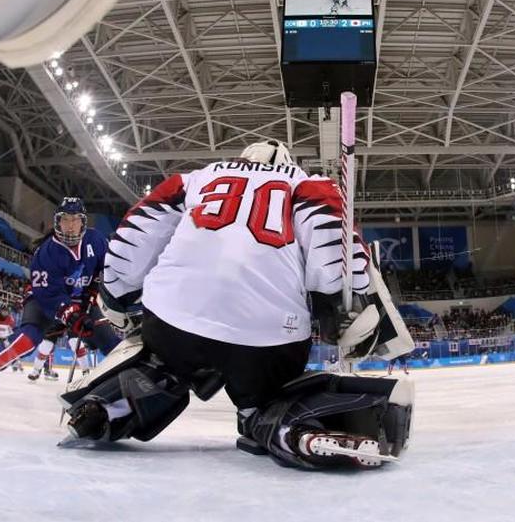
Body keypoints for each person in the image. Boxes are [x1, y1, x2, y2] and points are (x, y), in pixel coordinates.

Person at [59, 139, 414, 469]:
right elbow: (329, 237)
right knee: (265, 398)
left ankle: (105, 409)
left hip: (173, 319)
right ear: (287, 162)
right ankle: (291, 426)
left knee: (160, 367)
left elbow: (137, 230)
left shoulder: (197, 177)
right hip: (266, 337)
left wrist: (117, 297)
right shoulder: (308, 183)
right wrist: (333, 307)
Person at [0, 197, 118, 399]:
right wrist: (70, 315)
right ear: (57, 222)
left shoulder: (96, 240)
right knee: (31, 335)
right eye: (65, 220)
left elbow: (105, 269)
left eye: (75, 220)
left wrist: (94, 292)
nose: (70, 226)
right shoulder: (46, 252)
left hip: (82, 301)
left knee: (108, 340)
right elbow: (48, 294)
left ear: (83, 222)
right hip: (45, 301)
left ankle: (134, 384)